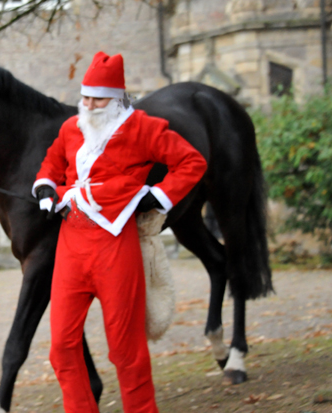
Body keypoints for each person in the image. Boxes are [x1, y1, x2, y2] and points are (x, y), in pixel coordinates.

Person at [33, 52, 207, 413]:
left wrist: (156, 195)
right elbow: (52, 161)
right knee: (62, 348)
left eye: (98, 98)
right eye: (85, 97)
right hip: (71, 245)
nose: (89, 105)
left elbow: (192, 162)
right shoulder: (71, 127)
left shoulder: (143, 127)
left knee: (126, 349)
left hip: (115, 245)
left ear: (117, 98)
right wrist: (47, 187)